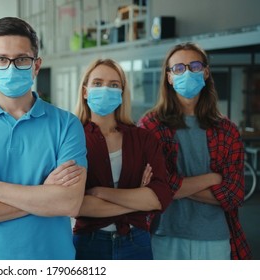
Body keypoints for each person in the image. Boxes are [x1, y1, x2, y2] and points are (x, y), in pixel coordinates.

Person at [0, 17, 87, 260]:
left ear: (36, 65)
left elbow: (68, 204)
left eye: (21, 59)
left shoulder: (67, 124)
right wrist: (42, 196)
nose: (11, 67)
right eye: (1, 59)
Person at [138, 42, 252, 260]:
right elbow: (154, 187)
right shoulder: (150, 126)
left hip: (215, 237)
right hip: (165, 235)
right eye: (179, 68)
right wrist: (212, 178)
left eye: (195, 66)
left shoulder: (227, 130)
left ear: (206, 72)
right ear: (169, 77)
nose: (187, 73)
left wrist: (175, 188)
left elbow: (234, 195)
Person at [72, 58, 173, 260]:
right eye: (98, 83)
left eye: (114, 85)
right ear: (85, 91)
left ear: (121, 93)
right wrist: (139, 198)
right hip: (89, 243)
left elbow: (160, 197)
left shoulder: (143, 139)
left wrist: (100, 192)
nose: (105, 89)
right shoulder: (72, 139)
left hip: (136, 241)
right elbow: (74, 204)